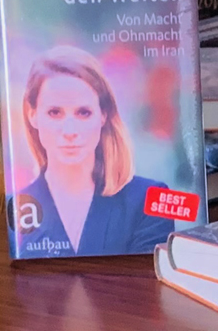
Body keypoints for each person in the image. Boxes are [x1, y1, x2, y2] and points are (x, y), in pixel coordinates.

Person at [14, 45, 174, 256]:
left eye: (83, 113)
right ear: (32, 114)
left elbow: (149, 275)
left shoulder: (151, 199)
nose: (70, 131)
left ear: (103, 115)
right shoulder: (15, 207)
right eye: (55, 112)